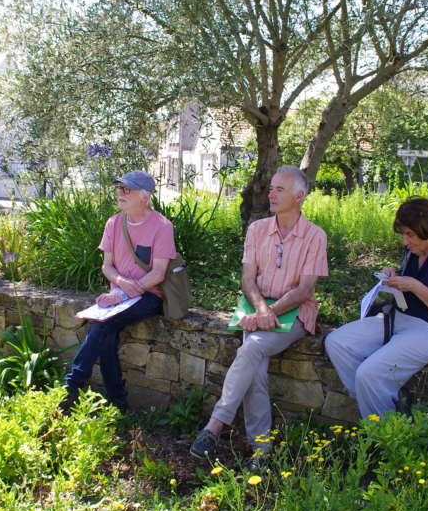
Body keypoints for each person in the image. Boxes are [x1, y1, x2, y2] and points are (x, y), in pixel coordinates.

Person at [191, 166, 328, 470]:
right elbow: (247, 279)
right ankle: (261, 451)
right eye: (271, 188)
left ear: (299, 196)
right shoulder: (257, 229)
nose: (271, 194)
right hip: (255, 307)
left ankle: (216, 423)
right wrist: (260, 310)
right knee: (256, 371)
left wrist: (268, 312)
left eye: (280, 189)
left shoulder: (315, 236)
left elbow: (305, 290)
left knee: (251, 348)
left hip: (295, 312)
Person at [325, 198, 428, 420]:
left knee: (368, 374)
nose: (405, 241)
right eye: (402, 235)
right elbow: (408, 289)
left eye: (410, 235)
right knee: (336, 342)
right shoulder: (412, 251)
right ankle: (378, 401)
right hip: (400, 319)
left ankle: (385, 432)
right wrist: (394, 279)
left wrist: (414, 285)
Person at [58, 170, 177, 414]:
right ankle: (117, 401)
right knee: (107, 332)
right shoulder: (113, 223)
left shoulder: (162, 226)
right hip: (119, 295)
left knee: (103, 324)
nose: (121, 193)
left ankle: (73, 386)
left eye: (127, 189)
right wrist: (121, 283)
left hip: (149, 295)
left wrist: (122, 295)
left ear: (145, 196)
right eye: (120, 188)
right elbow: (107, 266)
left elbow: (158, 274)